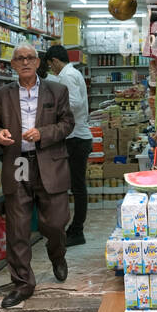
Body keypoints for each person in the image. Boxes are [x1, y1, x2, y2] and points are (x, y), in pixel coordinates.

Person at [0, 45, 75, 308]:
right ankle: (23, 283)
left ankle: (57, 255)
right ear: (13, 65)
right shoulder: (3, 95)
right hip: (18, 162)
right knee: (18, 226)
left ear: (38, 62)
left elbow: (67, 124)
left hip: (48, 162)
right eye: (19, 59)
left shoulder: (56, 90)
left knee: (56, 222)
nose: (25, 62)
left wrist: (43, 133)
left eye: (30, 58)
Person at [44, 44, 92, 247]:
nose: (51, 70)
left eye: (50, 66)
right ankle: (73, 229)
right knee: (76, 186)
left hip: (76, 138)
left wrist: (53, 110)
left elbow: (76, 103)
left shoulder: (67, 76)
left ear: (54, 61)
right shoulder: (70, 74)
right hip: (76, 137)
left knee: (78, 187)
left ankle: (77, 230)